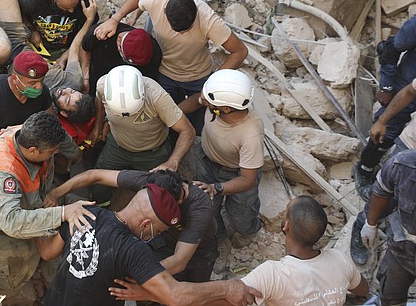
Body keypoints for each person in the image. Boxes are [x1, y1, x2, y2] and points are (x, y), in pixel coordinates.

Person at [36, 184, 260, 306]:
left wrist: (33, 215)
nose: (156, 237)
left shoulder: (87, 214)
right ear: (145, 224)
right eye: (159, 231)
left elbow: (47, 252)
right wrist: (227, 287)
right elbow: (176, 296)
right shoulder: (133, 249)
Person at [0, 112, 96, 300]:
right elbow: (11, 222)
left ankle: (38, 283)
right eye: (52, 152)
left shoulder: (33, 132)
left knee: (36, 265)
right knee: (8, 287)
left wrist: (74, 154)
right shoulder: (3, 170)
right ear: (33, 150)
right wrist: (63, 213)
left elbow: (63, 141)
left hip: (30, 209)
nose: (55, 154)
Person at [95, 0, 248, 130]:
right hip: (165, 72)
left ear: (196, 16)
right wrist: (115, 19)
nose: (180, 34)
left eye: (185, 30)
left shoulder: (208, 18)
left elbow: (240, 51)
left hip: (199, 76)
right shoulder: (157, 0)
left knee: (201, 125)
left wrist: (214, 84)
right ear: (164, 10)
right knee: (164, 121)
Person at [45, 168, 218, 283]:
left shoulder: (199, 208)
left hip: (199, 250)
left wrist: (138, 273)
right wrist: (56, 192)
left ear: (179, 200)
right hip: (161, 239)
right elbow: (95, 175)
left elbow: (179, 261)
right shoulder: (152, 182)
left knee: (190, 290)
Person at [354, 10, 416, 199]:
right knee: (386, 129)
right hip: (407, 85)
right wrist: (387, 85)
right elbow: (390, 49)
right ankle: (365, 170)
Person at [187, 69, 264, 262]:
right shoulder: (217, 101)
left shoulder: (250, 134)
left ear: (226, 109)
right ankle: (219, 239)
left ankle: (249, 229)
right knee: (207, 212)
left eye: (210, 102)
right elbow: (197, 99)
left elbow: (248, 180)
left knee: (241, 220)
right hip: (206, 160)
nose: (205, 100)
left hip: (236, 173)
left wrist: (216, 188)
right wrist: (173, 114)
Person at [91, 65, 196, 205]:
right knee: (99, 187)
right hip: (117, 146)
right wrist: (98, 127)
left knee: (159, 196)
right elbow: (99, 102)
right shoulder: (103, 86)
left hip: (153, 153)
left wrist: (172, 161)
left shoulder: (157, 97)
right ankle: (101, 207)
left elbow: (187, 130)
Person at [240, 196, 367, 306]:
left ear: (286, 226)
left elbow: (230, 297)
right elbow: (363, 289)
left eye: (285, 212)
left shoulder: (272, 275)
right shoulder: (340, 260)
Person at [356, 144, 416, 305]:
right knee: (390, 297)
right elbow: (382, 191)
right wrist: (370, 224)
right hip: (401, 250)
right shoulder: (404, 165)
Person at [0, 50, 55, 145]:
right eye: (32, 83)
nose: (39, 87)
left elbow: (51, 121)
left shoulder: (42, 92)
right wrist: (4, 142)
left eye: (41, 81)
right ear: (15, 79)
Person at [81, 24, 161, 96]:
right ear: (120, 48)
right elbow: (85, 48)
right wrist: (85, 78)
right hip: (95, 80)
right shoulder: (101, 32)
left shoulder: (155, 54)